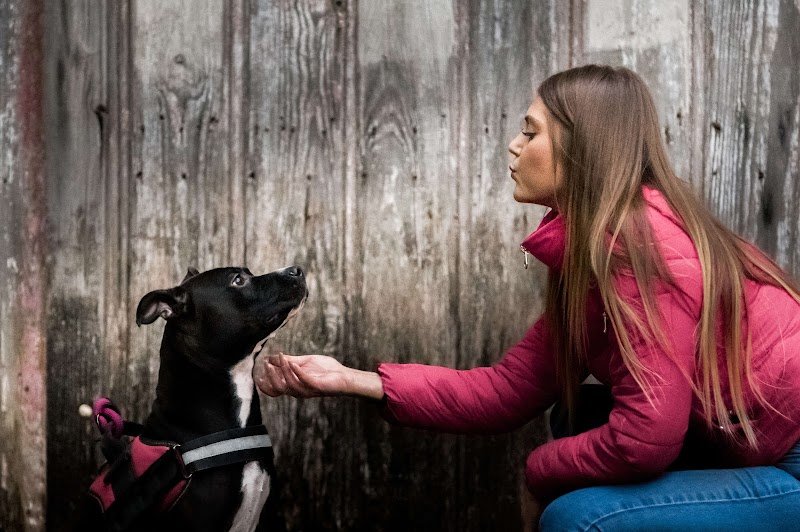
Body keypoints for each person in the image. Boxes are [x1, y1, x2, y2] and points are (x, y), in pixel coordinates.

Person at [255, 64, 800, 530]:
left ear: (580, 148)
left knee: (579, 517)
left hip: (790, 461)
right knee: (574, 418)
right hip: (753, 439)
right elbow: (511, 388)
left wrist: (540, 470)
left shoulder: (639, 254)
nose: (514, 145)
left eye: (530, 131)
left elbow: (645, 440)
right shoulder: (597, 247)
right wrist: (351, 379)